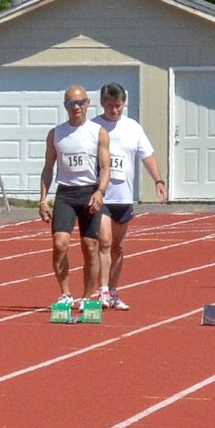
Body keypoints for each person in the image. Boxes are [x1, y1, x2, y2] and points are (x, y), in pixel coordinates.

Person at [37, 85, 113, 309]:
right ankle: (66, 294)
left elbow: (106, 167)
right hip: (66, 194)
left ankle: (88, 297)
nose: (76, 107)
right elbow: (48, 168)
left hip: (89, 192)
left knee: (90, 246)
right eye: (71, 103)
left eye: (80, 103)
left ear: (88, 104)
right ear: (65, 106)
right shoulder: (56, 133)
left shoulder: (98, 132)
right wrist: (43, 199)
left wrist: (100, 191)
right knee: (60, 244)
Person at [93, 82, 166, 310]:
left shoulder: (132, 127)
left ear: (123, 104)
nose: (114, 110)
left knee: (118, 247)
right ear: (102, 104)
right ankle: (102, 290)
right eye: (109, 106)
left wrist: (159, 180)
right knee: (103, 242)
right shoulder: (93, 127)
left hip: (124, 196)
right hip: (101, 196)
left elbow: (147, 155)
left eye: (118, 105)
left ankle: (113, 291)